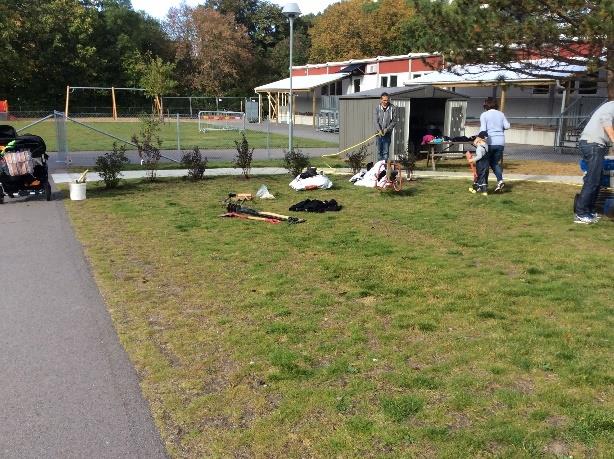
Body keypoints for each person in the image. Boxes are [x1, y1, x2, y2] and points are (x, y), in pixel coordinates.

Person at [574, 100, 614, 224]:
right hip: (593, 144)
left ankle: (589, 211)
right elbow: (605, 119)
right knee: (592, 180)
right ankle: (580, 214)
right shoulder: (612, 106)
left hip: (595, 144)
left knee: (596, 180)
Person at [479, 97, 510, 192]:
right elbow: (507, 126)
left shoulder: (484, 115)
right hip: (500, 142)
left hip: (490, 142)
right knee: (495, 163)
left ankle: (483, 185)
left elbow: (483, 130)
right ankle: (500, 181)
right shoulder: (501, 114)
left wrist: (478, 139)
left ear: (486, 105)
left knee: (485, 163)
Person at [374, 92, 397, 161]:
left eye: (387, 100)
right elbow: (375, 121)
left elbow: (394, 121)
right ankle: (379, 168)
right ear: (381, 100)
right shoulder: (377, 108)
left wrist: (387, 129)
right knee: (379, 152)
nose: (386, 102)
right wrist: (379, 130)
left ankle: (384, 168)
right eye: (384, 100)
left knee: (385, 152)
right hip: (379, 134)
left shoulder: (392, 108)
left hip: (387, 133)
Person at [467, 131, 489, 195]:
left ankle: (484, 191)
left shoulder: (479, 148)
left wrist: (472, 160)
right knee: (484, 176)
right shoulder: (486, 145)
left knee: (480, 176)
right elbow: (483, 154)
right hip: (486, 164)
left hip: (481, 164)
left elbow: (479, 156)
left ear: (479, 138)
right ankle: (477, 188)